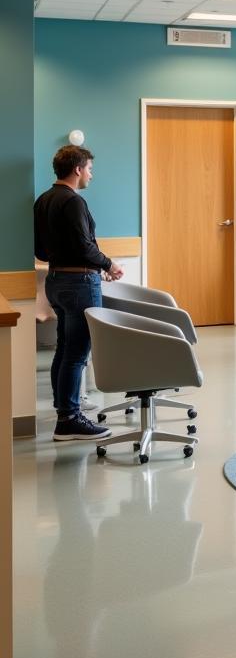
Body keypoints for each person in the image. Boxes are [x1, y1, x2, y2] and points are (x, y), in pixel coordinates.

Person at [34, 146, 124, 442]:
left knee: (64, 347)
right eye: (89, 168)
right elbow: (85, 247)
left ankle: (64, 407)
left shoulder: (43, 200)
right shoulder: (73, 201)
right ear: (77, 169)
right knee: (76, 353)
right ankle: (69, 419)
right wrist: (109, 263)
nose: (90, 174)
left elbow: (40, 251)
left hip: (56, 281)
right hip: (79, 285)